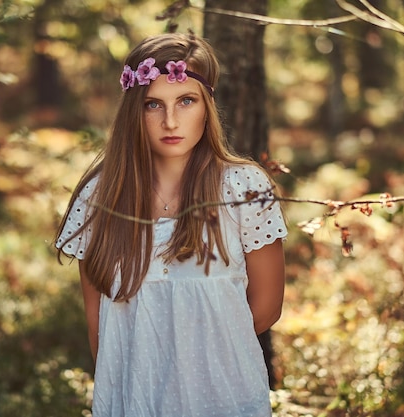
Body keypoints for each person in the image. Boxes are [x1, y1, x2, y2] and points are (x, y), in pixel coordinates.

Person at [55, 32, 287, 417]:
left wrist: (191, 362)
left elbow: (266, 307)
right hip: (134, 398)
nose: (170, 121)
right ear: (134, 110)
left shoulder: (243, 187)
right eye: (152, 105)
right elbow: (98, 324)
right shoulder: (100, 197)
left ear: (207, 105)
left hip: (224, 396)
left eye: (186, 101)